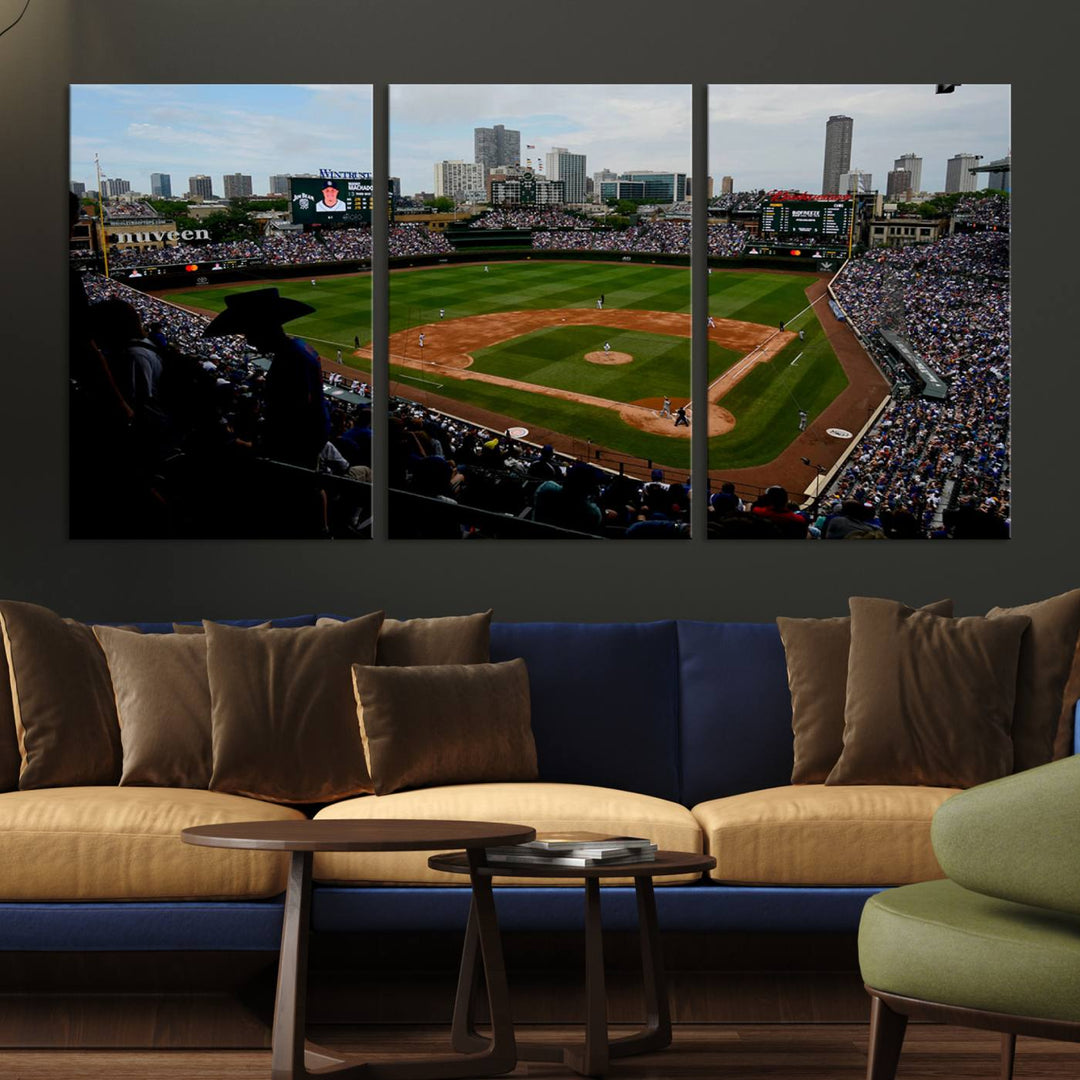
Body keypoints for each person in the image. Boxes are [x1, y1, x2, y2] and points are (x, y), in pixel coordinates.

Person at [204, 287, 327, 468]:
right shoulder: (296, 349)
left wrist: (255, 446)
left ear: (263, 329)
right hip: (304, 445)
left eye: (249, 332)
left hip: (295, 452)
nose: (249, 341)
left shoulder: (291, 358)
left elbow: (294, 418)